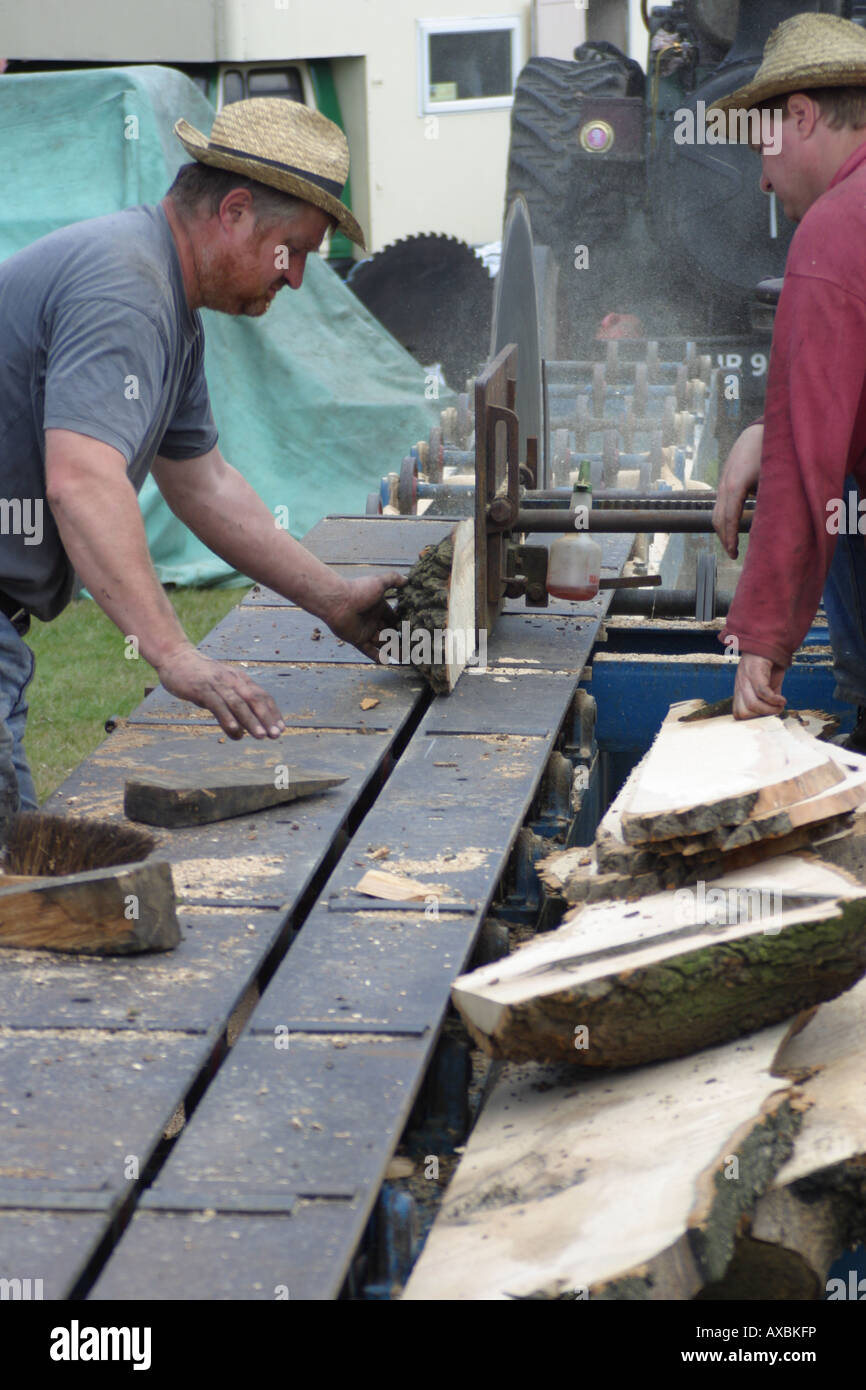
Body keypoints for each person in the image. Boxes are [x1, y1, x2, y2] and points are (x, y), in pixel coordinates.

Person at [0, 98, 404, 819]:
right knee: (15, 887)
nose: (297, 278)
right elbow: (82, 480)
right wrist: (173, 653)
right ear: (236, 211)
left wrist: (335, 601)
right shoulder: (126, 286)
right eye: (295, 250)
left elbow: (204, 484)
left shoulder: (168, 307)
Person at [709, 13, 866, 742]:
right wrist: (768, 428)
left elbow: (811, 461)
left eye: (763, 150)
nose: (765, 180)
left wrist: (764, 636)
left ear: (801, 116)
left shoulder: (834, 230)